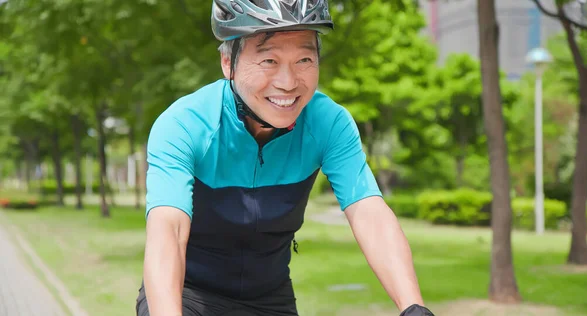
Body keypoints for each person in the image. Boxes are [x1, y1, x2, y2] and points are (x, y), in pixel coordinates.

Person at [136, 0, 434, 315]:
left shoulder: (329, 123)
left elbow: (368, 213)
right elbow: (168, 229)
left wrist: (412, 306)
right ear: (228, 63)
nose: (288, 82)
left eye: (304, 59)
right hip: (188, 294)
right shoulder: (185, 124)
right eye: (269, 60)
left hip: (269, 298)